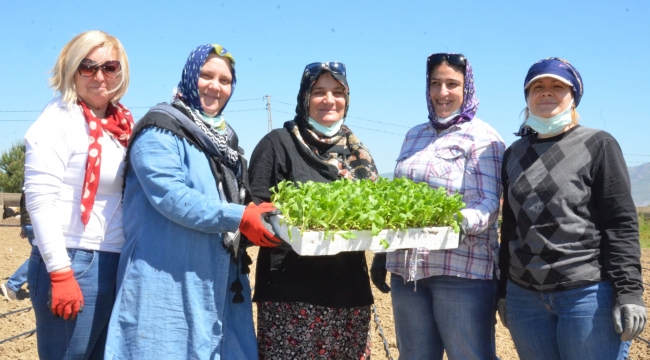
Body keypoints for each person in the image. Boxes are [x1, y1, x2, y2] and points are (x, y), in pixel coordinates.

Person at [104, 44, 278, 360]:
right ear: (189, 77)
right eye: (206, 75)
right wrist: (240, 217)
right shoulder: (160, 128)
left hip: (218, 279)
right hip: (165, 277)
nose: (215, 86)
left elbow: (238, 198)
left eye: (225, 80)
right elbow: (171, 196)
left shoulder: (227, 142)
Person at [497, 57, 647, 360]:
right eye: (537, 87)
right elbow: (510, 228)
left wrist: (629, 291)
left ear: (573, 95)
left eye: (557, 86)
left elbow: (620, 223)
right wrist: (503, 291)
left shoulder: (597, 144)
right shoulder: (514, 154)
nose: (546, 92)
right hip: (525, 298)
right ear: (527, 97)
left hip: (586, 294)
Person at [369, 53, 505, 360]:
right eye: (435, 83)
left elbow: (488, 203)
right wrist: (382, 252)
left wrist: (451, 225)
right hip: (407, 270)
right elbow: (399, 199)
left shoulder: (484, 137)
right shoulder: (415, 134)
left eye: (452, 84)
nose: (442, 92)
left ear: (466, 88)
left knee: (469, 355)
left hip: (461, 271)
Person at [248, 62, 378, 359]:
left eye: (337, 92)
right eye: (319, 91)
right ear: (305, 97)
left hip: (350, 294)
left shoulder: (357, 153)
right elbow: (254, 213)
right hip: (291, 296)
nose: (329, 100)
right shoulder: (278, 144)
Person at [23, 30, 133, 359]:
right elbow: (40, 200)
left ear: (121, 72)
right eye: (88, 66)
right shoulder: (59, 119)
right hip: (74, 261)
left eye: (110, 67)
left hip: (115, 261)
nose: (99, 76)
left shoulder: (121, 124)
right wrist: (59, 271)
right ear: (72, 70)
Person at [1, 189, 34, 301]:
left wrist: (24, 224)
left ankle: (35, 283)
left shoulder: (29, 178)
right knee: (40, 258)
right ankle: (12, 285)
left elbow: (23, 202)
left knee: (41, 257)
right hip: (36, 224)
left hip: (28, 223)